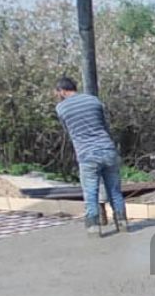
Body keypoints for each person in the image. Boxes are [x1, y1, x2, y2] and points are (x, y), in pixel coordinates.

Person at [54, 77, 127, 236]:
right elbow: (104, 125)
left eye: (57, 93)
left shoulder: (61, 108)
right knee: (115, 191)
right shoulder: (94, 101)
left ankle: (94, 229)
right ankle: (122, 224)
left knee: (91, 193)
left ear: (62, 91)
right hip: (107, 149)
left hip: (87, 154)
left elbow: (68, 131)